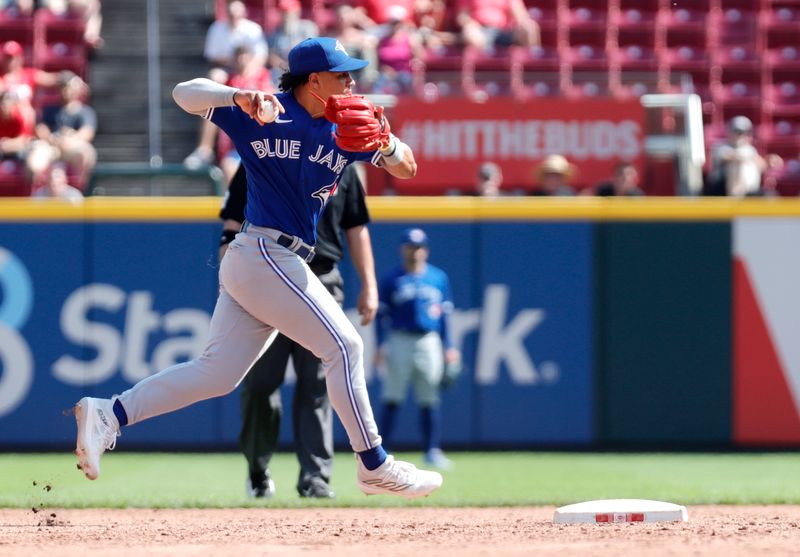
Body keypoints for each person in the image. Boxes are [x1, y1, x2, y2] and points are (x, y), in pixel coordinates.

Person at [72, 37, 443, 499]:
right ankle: (374, 464)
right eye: (342, 74)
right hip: (264, 251)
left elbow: (406, 168)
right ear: (315, 80)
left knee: (217, 374)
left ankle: (110, 413)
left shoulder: (344, 124)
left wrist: (386, 143)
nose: (351, 81)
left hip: (269, 261)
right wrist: (236, 96)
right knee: (344, 347)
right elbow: (183, 93)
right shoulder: (265, 110)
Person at [221, 163, 378, 499]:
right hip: (267, 276)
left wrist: (370, 284)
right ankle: (257, 470)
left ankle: (316, 477)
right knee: (261, 383)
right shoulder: (260, 150)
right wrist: (231, 285)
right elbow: (232, 225)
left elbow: (356, 226)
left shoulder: (340, 160)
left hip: (320, 277)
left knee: (318, 384)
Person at [374, 227, 460, 471]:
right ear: (403, 249)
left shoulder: (438, 277)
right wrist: (380, 344)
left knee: (429, 397)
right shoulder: (391, 278)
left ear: (426, 250)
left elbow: (446, 316)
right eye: (412, 246)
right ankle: (382, 451)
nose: (416, 251)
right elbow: (382, 316)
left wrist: (450, 346)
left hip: (429, 340)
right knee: (392, 396)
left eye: (420, 246)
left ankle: (432, 450)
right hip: (399, 339)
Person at [184, 0, 269, 168]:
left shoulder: (253, 29)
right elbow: (213, 58)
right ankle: (205, 148)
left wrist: (245, 72)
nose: (234, 17)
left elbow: (261, 58)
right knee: (215, 79)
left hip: (251, 73)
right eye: (231, 14)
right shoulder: (218, 28)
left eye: (237, 13)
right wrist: (236, 64)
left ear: (243, 13)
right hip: (228, 72)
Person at [706, 116, 783, 197]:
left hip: (749, 191)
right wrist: (746, 158)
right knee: (738, 163)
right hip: (722, 190)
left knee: (770, 195)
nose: (740, 135)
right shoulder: (721, 146)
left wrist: (770, 160)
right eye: (737, 132)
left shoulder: (750, 149)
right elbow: (727, 157)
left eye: (743, 132)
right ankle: (736, 197)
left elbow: (761, 165)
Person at [455, 0, 539, 52]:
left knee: (529, 28)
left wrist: (524, 23)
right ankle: (484, 69)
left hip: (504, 32)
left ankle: (533, 68)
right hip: (481, 32)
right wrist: (471, 25)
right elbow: (462, 16)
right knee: (470, 34)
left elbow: (521, 15)